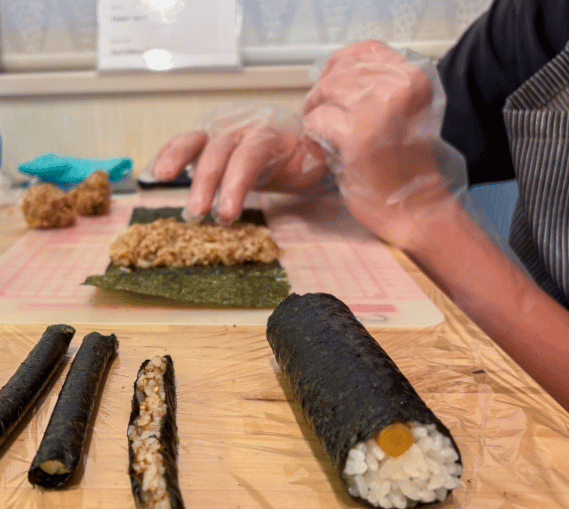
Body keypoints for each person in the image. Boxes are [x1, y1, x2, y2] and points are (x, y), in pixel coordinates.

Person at [149, 0, 569, 412]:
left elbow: (415, 186)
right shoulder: (542, 17)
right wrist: (320, 155)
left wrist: (425, 214)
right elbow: (423, 134)